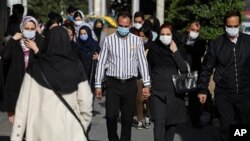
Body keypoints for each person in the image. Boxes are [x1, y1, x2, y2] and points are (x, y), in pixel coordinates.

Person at [10, 26, 93, 141]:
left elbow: (22, 108)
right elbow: (86, 104)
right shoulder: (76, 67)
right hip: (70, 131)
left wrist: (16, 137)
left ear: (47, 42)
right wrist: (80, 128)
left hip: (41, 132)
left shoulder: (35, 68)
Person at [95, 11, 151, 141]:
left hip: (130, 83)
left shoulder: (137, 41)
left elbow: (142, 63)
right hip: (113, 83)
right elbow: (101, 62)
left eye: (126, 26)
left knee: (127, 118)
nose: (123, 28)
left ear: (130, 25)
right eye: (121, 25)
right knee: (111, 116)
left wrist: (147, 84)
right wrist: (98, 85)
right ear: (117, 24)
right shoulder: (109, 40)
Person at [198, 10, 250, 141]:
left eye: (235, 26)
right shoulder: (216, 44)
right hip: (224, 93)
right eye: (229, 26)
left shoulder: (247, 42)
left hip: (245, 92)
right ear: (224, 26)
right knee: (226, 126)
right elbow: (206, 67)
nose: (232, 29)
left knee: (243, 126)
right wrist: (202, 89)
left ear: (239, 25)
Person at [147, 22, 188, 141]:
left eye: (168, 34)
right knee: (159, 123)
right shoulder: (154, 48)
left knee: (171, 125)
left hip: (174, 92)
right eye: (162, 34)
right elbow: (148, 66)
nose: (165, 36)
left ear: (172, 34)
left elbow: (184, 69)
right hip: (157, 92)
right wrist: (147, 83)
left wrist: (175, 52)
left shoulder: (179, 48)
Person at [1, 16, 44, 123]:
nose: (29, 31)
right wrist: (12, 39)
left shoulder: (41, 41)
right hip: (16, 83)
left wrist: (36, 49)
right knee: (14, 119)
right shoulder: (16, 41)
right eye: (27, 28)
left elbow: (46, 62)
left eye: (32, 29)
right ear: (22, 28)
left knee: (31, 119)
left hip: (34, 84)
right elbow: (5, 56)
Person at [180, 21, 208, 128]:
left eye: (197, 31)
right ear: (188, 29)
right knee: (180, 96)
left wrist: (187, 46)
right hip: (181, 70)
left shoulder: (201, 41)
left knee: (193, 98)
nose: (194, 32)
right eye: (193, 30)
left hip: (194, 71)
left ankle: (195, 120)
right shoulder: (182, 38)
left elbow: (199, 52)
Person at [136, 24, 153, 129]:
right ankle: (139, 119)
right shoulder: (135, 46)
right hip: (138, 76)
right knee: (138, 98)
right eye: (140, 36)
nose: (141, 38)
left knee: (148, 99)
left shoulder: (152, 47)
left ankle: (148, 116)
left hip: (149, 76)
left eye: (143, 36)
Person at [77, 25, 100, 92]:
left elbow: (102, 55)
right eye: (81, 34)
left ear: (89, 33)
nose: (82, 35)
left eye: (84, 33)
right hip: (80, 73)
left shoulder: (94, 44)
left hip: (91, 72)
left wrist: (98, 57)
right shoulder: (77, 44)